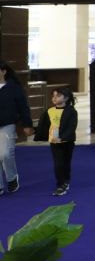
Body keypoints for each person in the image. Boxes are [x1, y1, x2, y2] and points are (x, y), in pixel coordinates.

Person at [34, 85, 77, 195]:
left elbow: (71, 127)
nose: (54, 98)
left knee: (66, 162)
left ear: (66, 98)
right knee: (58, 163)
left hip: (67, 142)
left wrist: (62, 137)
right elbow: (43, 126)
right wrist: (35, 131)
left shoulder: (71, 111)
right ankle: (60, 184)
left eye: (58, 96)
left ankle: (66, 180)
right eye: (53, 96)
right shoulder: (49, 111)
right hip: (54, 142)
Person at [0, 61, 32, 194]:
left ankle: (12, 178)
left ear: (3, 71)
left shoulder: (14, 87)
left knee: (5, 154)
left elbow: (23, 107)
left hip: (7, 124)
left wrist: (27, 124)